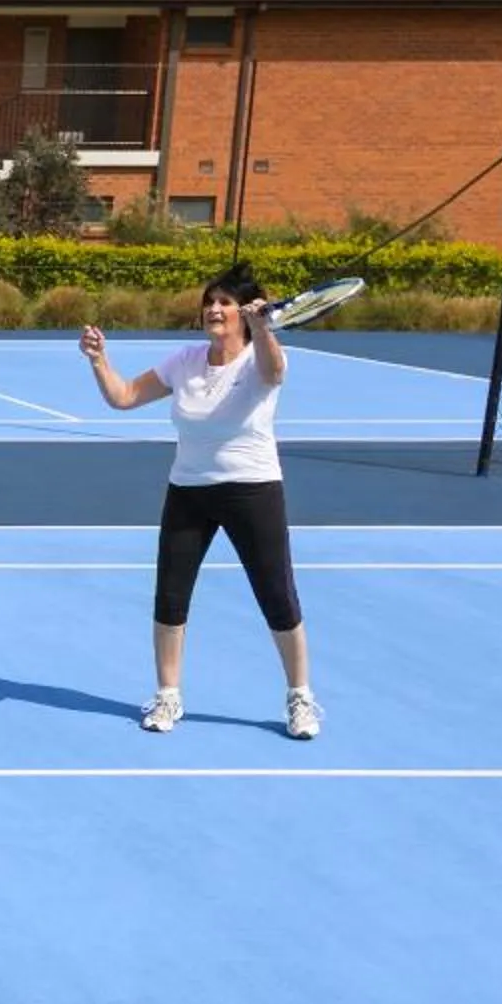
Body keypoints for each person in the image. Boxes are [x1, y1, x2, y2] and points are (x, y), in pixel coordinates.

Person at [79, 270, 320, 741]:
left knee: (277, 595)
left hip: (253, 489)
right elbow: (124, 397)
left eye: (226, 303)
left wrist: (266, 327)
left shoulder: (260, 359)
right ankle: (168, 695)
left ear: (245, 313)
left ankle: (300, 697)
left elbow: (273, 373)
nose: (214, 309)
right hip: (188, 490)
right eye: (210, 302)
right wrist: (98, 360)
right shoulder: (185, 360)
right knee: (170, 596)